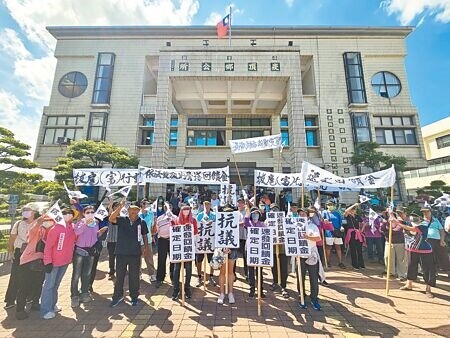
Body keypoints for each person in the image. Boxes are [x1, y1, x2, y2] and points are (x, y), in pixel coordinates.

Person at [109, 200, 149, 307]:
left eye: (136, 210)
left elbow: (145, 235)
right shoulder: (122, 220)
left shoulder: (142, 222)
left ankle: (134, 296)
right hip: (121, 252)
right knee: (120, 276)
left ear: (139, 211)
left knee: (134, 276)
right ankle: (117, 296)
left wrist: (145, 248)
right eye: (131, 210)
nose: (133, 212)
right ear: (128, 211)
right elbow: (111, 218)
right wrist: (120, 207)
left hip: (135, 253)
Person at [40, 208, 77, 319]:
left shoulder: (72, 228)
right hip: (53, 262)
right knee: (49, 285)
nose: (68, 215)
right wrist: (48, 261)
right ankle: (46, 309)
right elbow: (48, 247)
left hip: (65, 262)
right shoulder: (55, 229)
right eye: (65, 213)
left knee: (55, 285)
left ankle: (52, 304)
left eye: (70, 213)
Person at [4, 203, 39, 309]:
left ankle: (29, 296)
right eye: (24, 210)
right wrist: (10, 251)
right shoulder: (19, 223)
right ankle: (10, 299)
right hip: (20, 252)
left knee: (32, 275)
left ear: (34, 212)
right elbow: (12, 238)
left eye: (28, 210)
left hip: (33, 252)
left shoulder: (38, 223)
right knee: (15, 276)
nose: (25, 212)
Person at [71, 205, 107, 308]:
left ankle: (85, 292)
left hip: (91, 251)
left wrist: (99, 233)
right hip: (80, 251)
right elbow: (77, 232)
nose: (90, 213)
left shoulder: (96, 222)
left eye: (92, 212)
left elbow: (94, 236)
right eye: (88, 212)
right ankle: (74, 295)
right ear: (84, 213)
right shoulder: (80, 222)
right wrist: (85, 224)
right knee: (76, 274)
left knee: (87, 274)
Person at [15, 215, 49, 320]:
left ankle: (35, 303)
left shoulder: (47, 232)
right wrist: (38, 222)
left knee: (38, 284)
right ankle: (20, 310)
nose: (48, 222)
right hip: (27, 261)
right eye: (46, 220)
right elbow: (31, 231)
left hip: (41, 262)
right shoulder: (36, 229)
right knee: (24, 286)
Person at [396, 212, 435, 297]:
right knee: (411, 266)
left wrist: (398, 223)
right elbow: (403, 222)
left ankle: (428, 289)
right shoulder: (409, 222)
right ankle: (409, 284)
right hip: (412, 249)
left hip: (425, 250)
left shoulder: (423, 226)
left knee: (427, 270)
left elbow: (411, 228)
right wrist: (393, 216)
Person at [171, 204, 198, 301]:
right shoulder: (176, 220)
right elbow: (173, 232)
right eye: (184, 210)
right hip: (178, 249)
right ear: (181, 211)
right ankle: (176, 289)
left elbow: (195, 232)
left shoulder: (193, 220)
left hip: (188, 248)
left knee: (189, 269)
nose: (186, 212)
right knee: (176, 269)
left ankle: (187, 288)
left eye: (188, 210)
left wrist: (189, 228)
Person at [296, 215, 322, 311]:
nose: (302, 216)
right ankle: (301, 296)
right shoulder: (295, 225)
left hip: (311, 254)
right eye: (300, 214)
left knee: (314, 277)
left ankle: (314, 298)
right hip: (300, 255)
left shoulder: (312, 226)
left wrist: (307, 237)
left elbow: (318, 238)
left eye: (304, 214)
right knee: (300, 277)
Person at [216, 206, 238, 304]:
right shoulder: (220, 223)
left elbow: (236, 237)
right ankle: (221, 293)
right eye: (226, 212)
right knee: (222, 272)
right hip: (222, 250)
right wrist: (223, 247)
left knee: (230, 272)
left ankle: (230, 293)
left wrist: (231, 247)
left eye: (230, 212)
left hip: (232, 250)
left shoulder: (235, 223)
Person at [244, 206, 266, 298]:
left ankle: (260, 289)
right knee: (251, 270)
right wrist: (247, 211)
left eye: (257, 213)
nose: (255, 215)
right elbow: (245, 220)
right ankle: (252, 288)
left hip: (260, 249)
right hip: (249, 249)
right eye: (253, 214)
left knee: (259, 270)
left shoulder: (262, 224)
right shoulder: (249, 223)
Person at [268, 204, 289, 298]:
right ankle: (275, 282)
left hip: (283, 249)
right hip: (272, 249)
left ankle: (283, 286)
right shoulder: (267, 220)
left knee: (284, 268)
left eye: (276, 209)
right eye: (272, 209)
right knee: (274, 268)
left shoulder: (284, 220)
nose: (274, 211)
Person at [380, 208, 407, 281]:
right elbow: (382, 230)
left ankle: (402, 275)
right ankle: (391, 272)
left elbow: (399, 230)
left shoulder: (401, 221)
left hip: (399, 242)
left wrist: (390, 229)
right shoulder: (386, 222)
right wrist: (384, 223)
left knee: (401, 259)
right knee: (387, 257)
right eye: (388, 214)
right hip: (389, 242)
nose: (389, 215)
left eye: (391, 213)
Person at [154, 203, 177, 288]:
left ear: (171, 208)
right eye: (166, 207)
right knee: (161, 260)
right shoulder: (159, 218)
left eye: (169, 207)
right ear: (164, 208)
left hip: (173, 241)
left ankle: (173, 277)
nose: (168, 208)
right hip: (162, 240)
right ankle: (160, 278)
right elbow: (156, 231)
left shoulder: (175, 217)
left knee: (173, 259)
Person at [422, 206, 450, 274]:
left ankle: (446, 270)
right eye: (424, 211)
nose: (425, 213)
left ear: (430, 212)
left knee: (442, 255)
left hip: (437, 241)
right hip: (427, 240)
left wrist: (442, 240)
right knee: (429, 257)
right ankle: (432, 272)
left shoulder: (436, 220)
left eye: (427, 211)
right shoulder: (421, 221)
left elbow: (441, 230)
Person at [195, 201, 217, 287]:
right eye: (205, 205)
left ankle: (211, 276)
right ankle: (199, 277)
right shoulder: (200, 215)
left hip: (211, 241)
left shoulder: (214, 215)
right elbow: (197, 225)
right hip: (201, 241)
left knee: (211, 260)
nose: (206, 206)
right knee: (199, 260)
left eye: (208, 204)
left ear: (210, 205)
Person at [322, 201, 345, 268]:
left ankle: (340, 262)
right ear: (326, 205)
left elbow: (340, 222)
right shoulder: (324, 212)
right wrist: (324, 221)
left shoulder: (337, 213)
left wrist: (341, 227)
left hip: (337, 232)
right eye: (329, 204)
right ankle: (328, 261)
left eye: (331, 204)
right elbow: (322, 220)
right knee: (329, 247)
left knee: (338, 247)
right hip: (329, 232)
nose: (330, 206)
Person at [344, 203, 366, 270]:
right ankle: (355, 265)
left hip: (358, 233)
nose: (353, 210)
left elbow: (364, 223)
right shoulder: (347, 216)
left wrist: (361, 230)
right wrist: (354, 205)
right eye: (352, 209)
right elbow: (346, 212)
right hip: (351, 234)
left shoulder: (357, 216)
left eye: (354, 209)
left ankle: (361, 264)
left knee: (359, 249)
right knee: (353, 249)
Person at [139, 199, 156, 282]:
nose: (148, 206)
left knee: (149, 257)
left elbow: (152, 226)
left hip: (148, 239)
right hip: (138, 239)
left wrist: (152, 236)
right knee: (138, 258)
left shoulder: (151, 214)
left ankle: (152, 274)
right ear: (142, 205)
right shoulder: (137, 214)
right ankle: (138, 274)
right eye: (147, 204)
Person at [106, 201, 119, 280]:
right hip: (111, 239)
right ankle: (111, 271)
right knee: (111, 257)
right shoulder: (110, 216)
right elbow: (110, 212)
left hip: (119, 240)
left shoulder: (121, 217)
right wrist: (110, 203)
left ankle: (121, 270)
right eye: (116, 206)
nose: (117, 208)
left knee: (120, 257)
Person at [237, 198, 248, 279]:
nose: (239, 204)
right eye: (238, 203)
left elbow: (246, 222)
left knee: (245, 256)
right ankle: (233, 274)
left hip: (245, 237)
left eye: (241, 203)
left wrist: (238, 224)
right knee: (234, 256)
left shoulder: (247, 212)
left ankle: (246, 273)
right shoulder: (235, 213)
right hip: (236, 237)